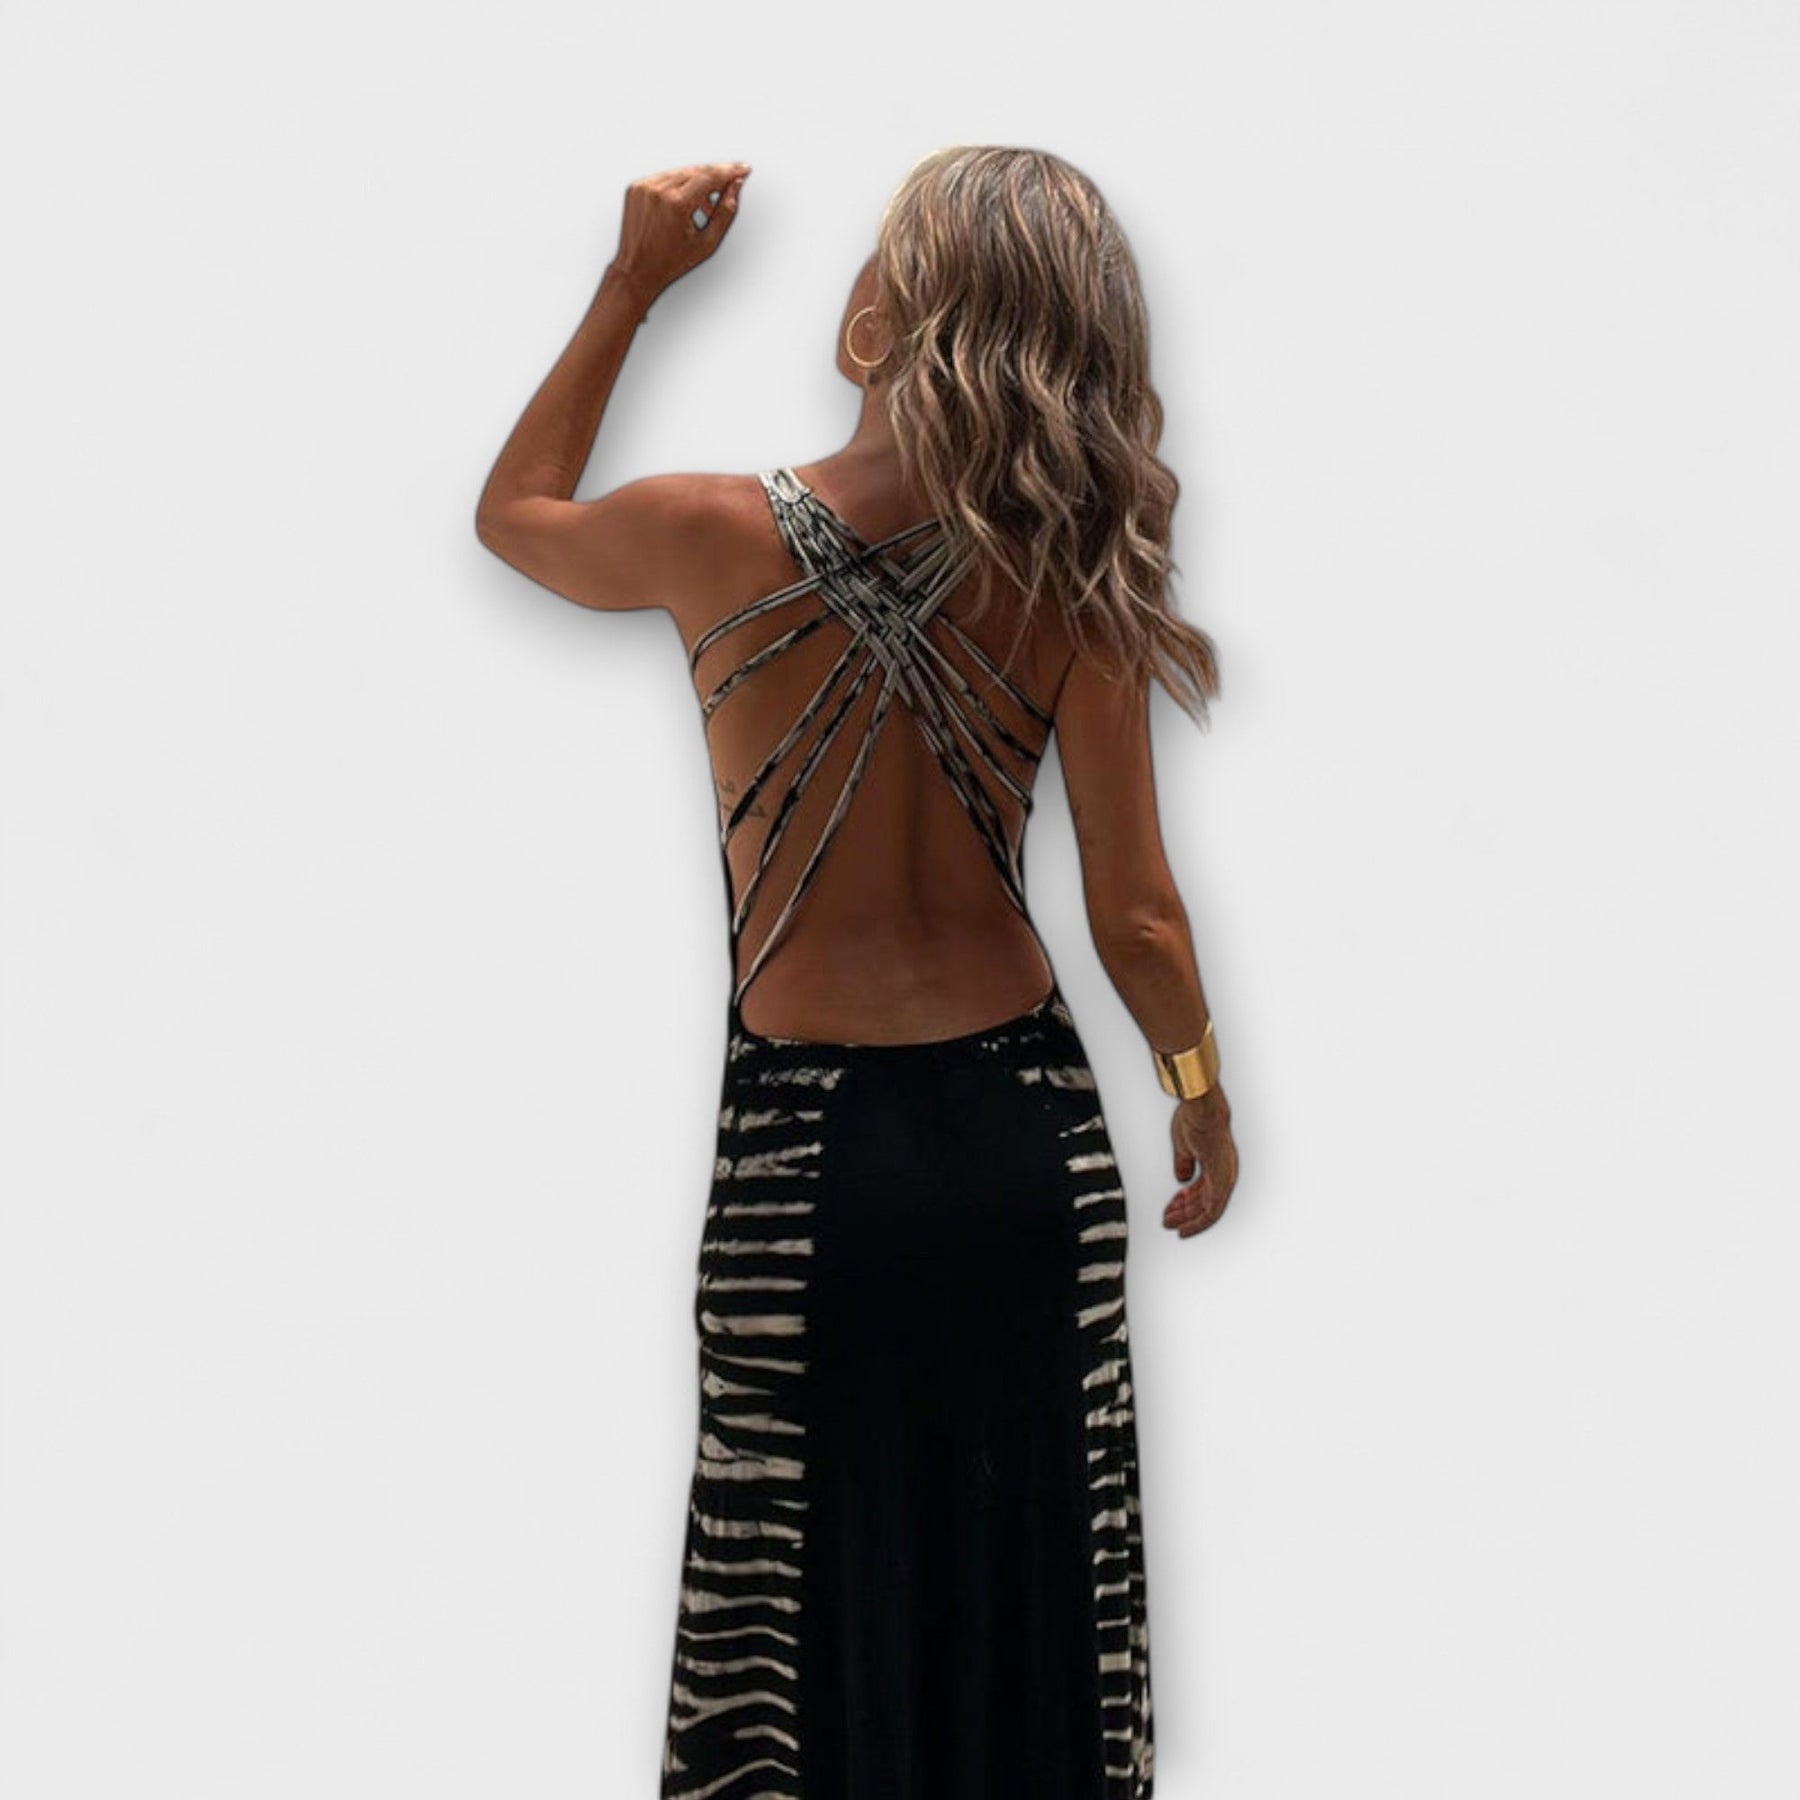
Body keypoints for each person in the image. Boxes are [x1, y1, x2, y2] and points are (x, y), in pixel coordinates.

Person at [477, 144, 1238, 1800]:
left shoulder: (704, 532)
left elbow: (514, 515)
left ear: (898, 311)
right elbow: (1137, 919)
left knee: (792, 1604)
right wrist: (1199, 1091)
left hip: (804, 1162)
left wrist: (633, 285)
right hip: (1026, 1144)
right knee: (1035, 1580)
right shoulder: (1072, 563)